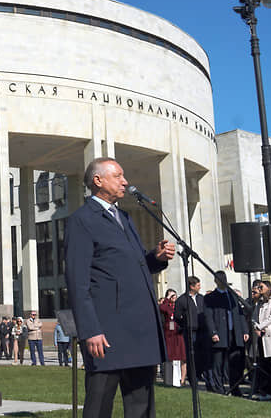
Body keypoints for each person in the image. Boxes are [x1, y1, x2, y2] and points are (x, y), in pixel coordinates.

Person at [64, 157, 175, 418]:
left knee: (141, 405)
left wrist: (155, 258)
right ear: (98, 180)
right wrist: (90, 330)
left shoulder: (124, 217)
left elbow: (133, 265)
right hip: (107, 332)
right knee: (100, 403)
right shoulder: (82, 220)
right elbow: (77, 281)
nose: (125, 182)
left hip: (139, 328)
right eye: (118, 176)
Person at [203, 270, 250, 396]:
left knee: (235, 362)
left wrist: (244, 330)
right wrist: (213, 332)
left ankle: (235, 387)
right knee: (218, 363)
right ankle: (219, 387)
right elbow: (208, 316)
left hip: (234, 333)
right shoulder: (210, 297)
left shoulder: (232, 295)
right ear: (216, 281)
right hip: (220, 333)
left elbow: (240, 314)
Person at [174, 275, 207, 387]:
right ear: (192, 286)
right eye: (198, 285)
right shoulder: (182, 300)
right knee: (192, 356)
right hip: (190, 332)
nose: (200, 287)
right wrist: (186, 323)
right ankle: (193, 379)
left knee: (202, 355)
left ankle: (200, 374)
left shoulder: (202, 298)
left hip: (202, 331)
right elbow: (177, 317)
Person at [159, 289, 186, 386]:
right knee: (170, 356)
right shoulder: (167, 305)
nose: (174, 297)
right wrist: (167, 299)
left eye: (175, 295)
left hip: (178, 333)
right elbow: (162, 308)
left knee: (181, 356)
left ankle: (182, 380)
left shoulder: (178, 305)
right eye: (172, 296)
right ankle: (169, 379)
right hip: (169, 334)